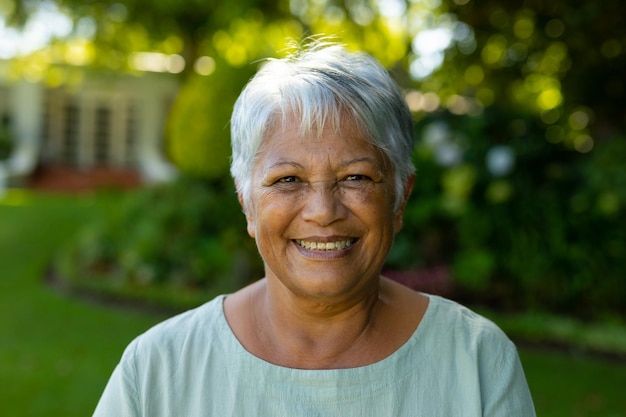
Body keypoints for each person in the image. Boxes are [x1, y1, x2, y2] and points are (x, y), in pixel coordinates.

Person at [93, 40, 536, 416]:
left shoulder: (477, 362)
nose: (323, 211)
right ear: (246, 200)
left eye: (356, 177)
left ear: (400, 197)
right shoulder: (157, 372)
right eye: (288, 180)